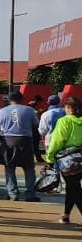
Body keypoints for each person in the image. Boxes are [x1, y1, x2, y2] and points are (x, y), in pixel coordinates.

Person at [45, 97, 82, 227]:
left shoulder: (64, 121)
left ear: (68, 108)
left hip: (68, 160)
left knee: (75, 189)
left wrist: (50, 158)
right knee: (73, 187)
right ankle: (65, 215)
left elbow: (57, 141)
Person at [0, 91, 40, 202]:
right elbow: (36, 124)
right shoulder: (29, 110)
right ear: (21, 99)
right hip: (25, 140)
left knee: (9, 168)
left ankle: (13, 194)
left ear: (9, 100)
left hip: (8, 141)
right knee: (29, 168)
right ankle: (30, 194)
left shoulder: (2, 111)